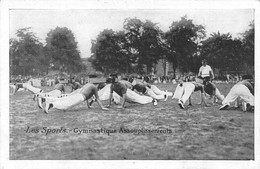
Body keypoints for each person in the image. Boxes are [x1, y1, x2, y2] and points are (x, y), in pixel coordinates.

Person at [44, 83, 109, 113]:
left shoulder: (89, 85)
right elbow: (97, 98)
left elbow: (87, 97)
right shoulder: (94, 88)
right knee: (67, 105)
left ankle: (46, 99)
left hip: (78, 94)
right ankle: (51, 104)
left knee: (64, 99)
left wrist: (88, 106)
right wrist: (102, 107)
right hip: (80, 97)